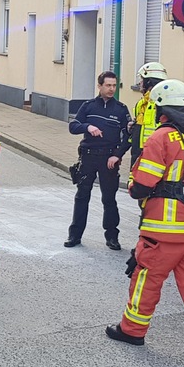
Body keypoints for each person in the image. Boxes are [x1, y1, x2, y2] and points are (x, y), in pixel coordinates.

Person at [105, 79, 184, 365]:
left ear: (162, 108)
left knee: (146, 277)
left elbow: (142, 184)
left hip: (165, 228)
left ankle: (132, 330)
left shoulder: (163, 137)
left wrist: (134, 184)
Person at [65, 70, 130, 250]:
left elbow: (128, 136)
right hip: (88, 157)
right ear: (99, 86)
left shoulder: (121, 109)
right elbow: (73, 126)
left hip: (109, 159)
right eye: (108, 85)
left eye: (114, 85)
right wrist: (88, 126)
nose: (111, 89)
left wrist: (117, 155)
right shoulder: (88, 106)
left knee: (109, 199)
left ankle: (112, 237)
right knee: (81, 196)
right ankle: (74, 235)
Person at [130, 62, 168, 163]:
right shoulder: (142, 103)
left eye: (142, 80)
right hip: (139, 151)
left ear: (148, 82)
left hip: (154, 153)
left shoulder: (162, 102)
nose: (140, 84)